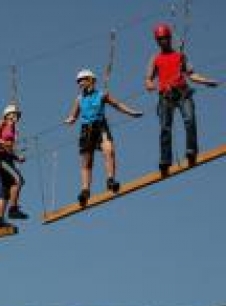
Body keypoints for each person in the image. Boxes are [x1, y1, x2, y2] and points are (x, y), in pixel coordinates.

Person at [145, 23, 219, 175]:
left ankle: (191, 150)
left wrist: (206, 81)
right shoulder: (155, 59)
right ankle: (165, 160)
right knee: (165, 127)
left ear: (170, 38)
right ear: (156, 41)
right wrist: (150, 85)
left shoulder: (180, 55)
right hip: (166, 96)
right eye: (160, 39)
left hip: (182, 92)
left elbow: (191, 74)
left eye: (165, 38)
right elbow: (148, 79)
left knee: (190, 119)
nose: (163, 41)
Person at [65, 69, 143, 206]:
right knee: (87, 161)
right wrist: (70, 119)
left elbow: (117, 105)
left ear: (90, 80)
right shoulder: (79, 99)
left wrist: (131, 113)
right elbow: (73, 114)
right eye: (79, 81)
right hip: (86, 129)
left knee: (109, 150)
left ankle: (110, 180)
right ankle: (85, 190)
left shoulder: (102, 94)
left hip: (100, 126)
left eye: (82, 80)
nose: (80, 84)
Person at [0, 103, 28, 229]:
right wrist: (4, 142)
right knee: (18, 181)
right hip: (0, 159)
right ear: (8, 115)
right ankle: (13, 209)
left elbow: (10, 149)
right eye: (14, 114)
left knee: (5, 190)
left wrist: (18, 157)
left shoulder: (14, 131)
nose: (16, 117)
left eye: (17, 115)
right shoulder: (2, 122)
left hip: (8, 159)